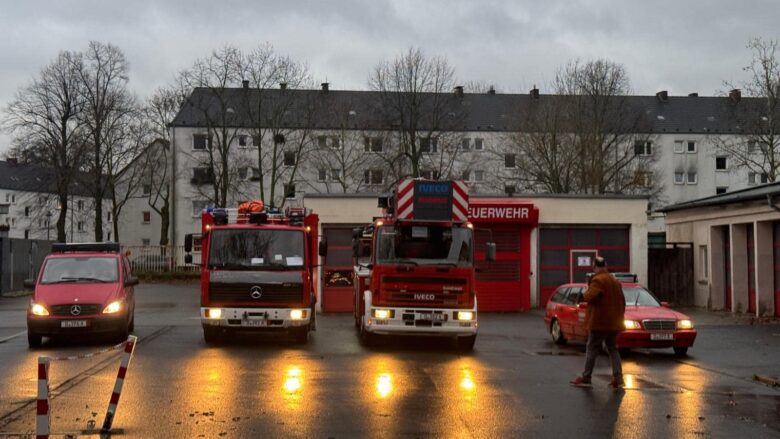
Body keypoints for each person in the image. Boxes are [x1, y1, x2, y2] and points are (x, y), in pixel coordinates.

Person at [570, 256, 626, 388]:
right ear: (606, 265)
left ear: (594, 266)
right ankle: (618, 378)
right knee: (613, 349)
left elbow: (589, 297)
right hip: (614, 322)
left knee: (592, 348)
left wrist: (585, 290)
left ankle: (586, 377)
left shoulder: (598, 280)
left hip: (600, 322)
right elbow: (622, 302)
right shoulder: (615, 281)